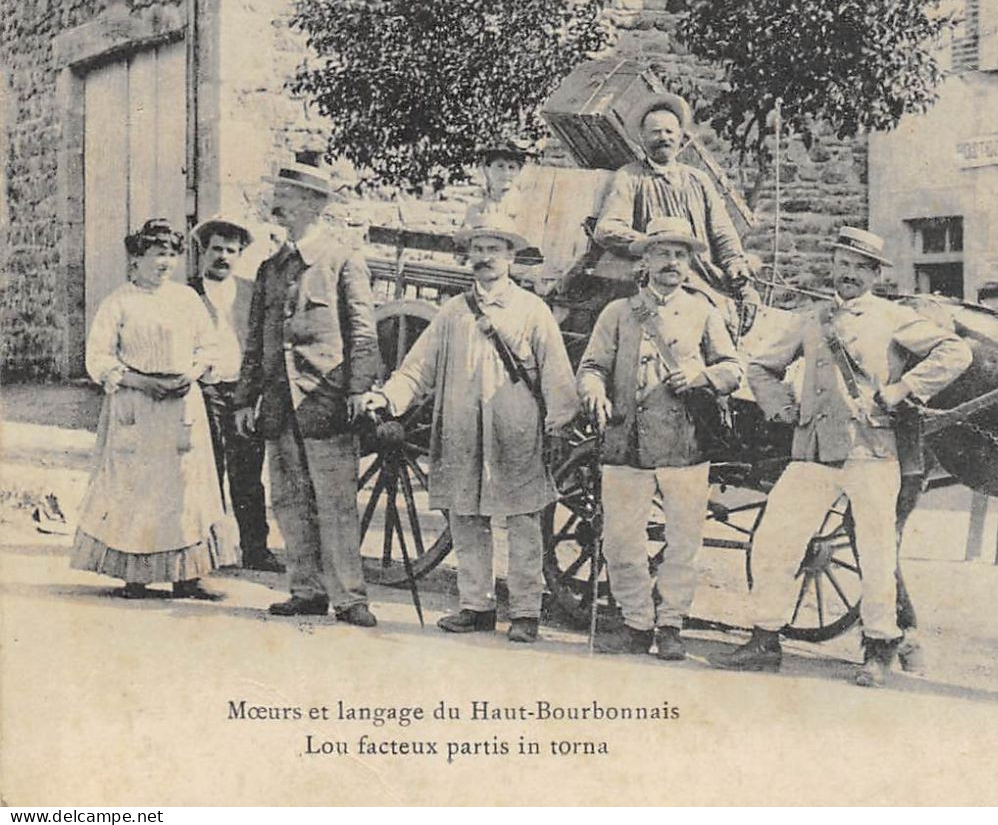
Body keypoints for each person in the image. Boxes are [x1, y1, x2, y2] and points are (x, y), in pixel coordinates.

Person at [709, 226, 971, 686]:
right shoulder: (811, 319)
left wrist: (904, 388)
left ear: (874, 275)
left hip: (871, 450)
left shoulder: (892, 317)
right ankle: (765, 639)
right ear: (833, 268)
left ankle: (879, 646)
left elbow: (955, 352)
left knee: (875, 551)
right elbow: (762, 367)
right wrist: (780, 407)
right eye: (842, 264)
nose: (848, 274)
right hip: (812, 450)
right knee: (774, 541)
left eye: (859, 268)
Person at [363, 211, 577, 643]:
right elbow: (417, 369)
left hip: (514, 431)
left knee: (521, 520)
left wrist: (559, 424)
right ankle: (475, 605)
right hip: (460, 429)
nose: (485, 258)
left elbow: (557, 375)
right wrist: (388, 397)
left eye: (494, 250)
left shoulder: (532, 312)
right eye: (478, 249)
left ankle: (525, 611)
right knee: (465, 516)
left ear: (511, 257)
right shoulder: (453, 313)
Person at [576, 216, 743, 659]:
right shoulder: (618, 313)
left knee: (683, 541)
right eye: (664, 253)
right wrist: (593, 391)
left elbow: (733, 368)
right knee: (621, 540)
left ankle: (670, 624)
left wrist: (702, 374)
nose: (672, 262)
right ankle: (636, 622)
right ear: (645, 260)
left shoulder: (704, 312)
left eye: (681, 254)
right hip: (626, 444)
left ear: (689, 264)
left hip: (685, 446)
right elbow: (592, 366)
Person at [235, 160, 381, 627]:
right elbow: (256, 340)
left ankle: (350, 598)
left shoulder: (342, 262)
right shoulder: (269, 269)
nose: (281, 202)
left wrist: (359, 389)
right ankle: (306, 590)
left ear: (316, 205)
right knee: (290, 500)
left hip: (325, 403)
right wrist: (244, 399)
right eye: (280, 192)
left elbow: (362, 334)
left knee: (336, 503)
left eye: (290, 194)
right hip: (279, 405)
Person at [72, 219, 239, 600]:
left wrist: (191, 374)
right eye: (156, 255)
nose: (164, 263)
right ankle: (136, 576)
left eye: (170, 255)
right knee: (138, 489)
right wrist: (141, 381)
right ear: (136, 258)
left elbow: (207, 346)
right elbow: (97, 358)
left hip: (181, 403)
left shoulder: (186, 299)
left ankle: (188, 576)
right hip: (137, 403)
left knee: (185, 490)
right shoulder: (119, 302)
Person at [592, 94, 761, 329]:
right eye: (656, 132)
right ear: (642, 138)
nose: (664, 138)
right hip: (657, 273)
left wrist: (734, 262)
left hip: (703, 271)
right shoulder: (629, 177)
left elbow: (722, 231)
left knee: (746, 302)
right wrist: (654, 245)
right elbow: (607, 229)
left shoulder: (698, 180)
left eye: (670, 132)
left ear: (680, 136)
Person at [189, 215, 281, 573]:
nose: (222, 257)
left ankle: (256, 549)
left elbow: (259, 342)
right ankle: (209, 550)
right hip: (203, 392)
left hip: (243, 394)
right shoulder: (188, 293)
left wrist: (255, 392)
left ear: (240, 254)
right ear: (203, 252)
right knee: (207, 472)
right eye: (216, 250)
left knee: (248, 474)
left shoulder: (249, 292)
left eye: (230, 250)